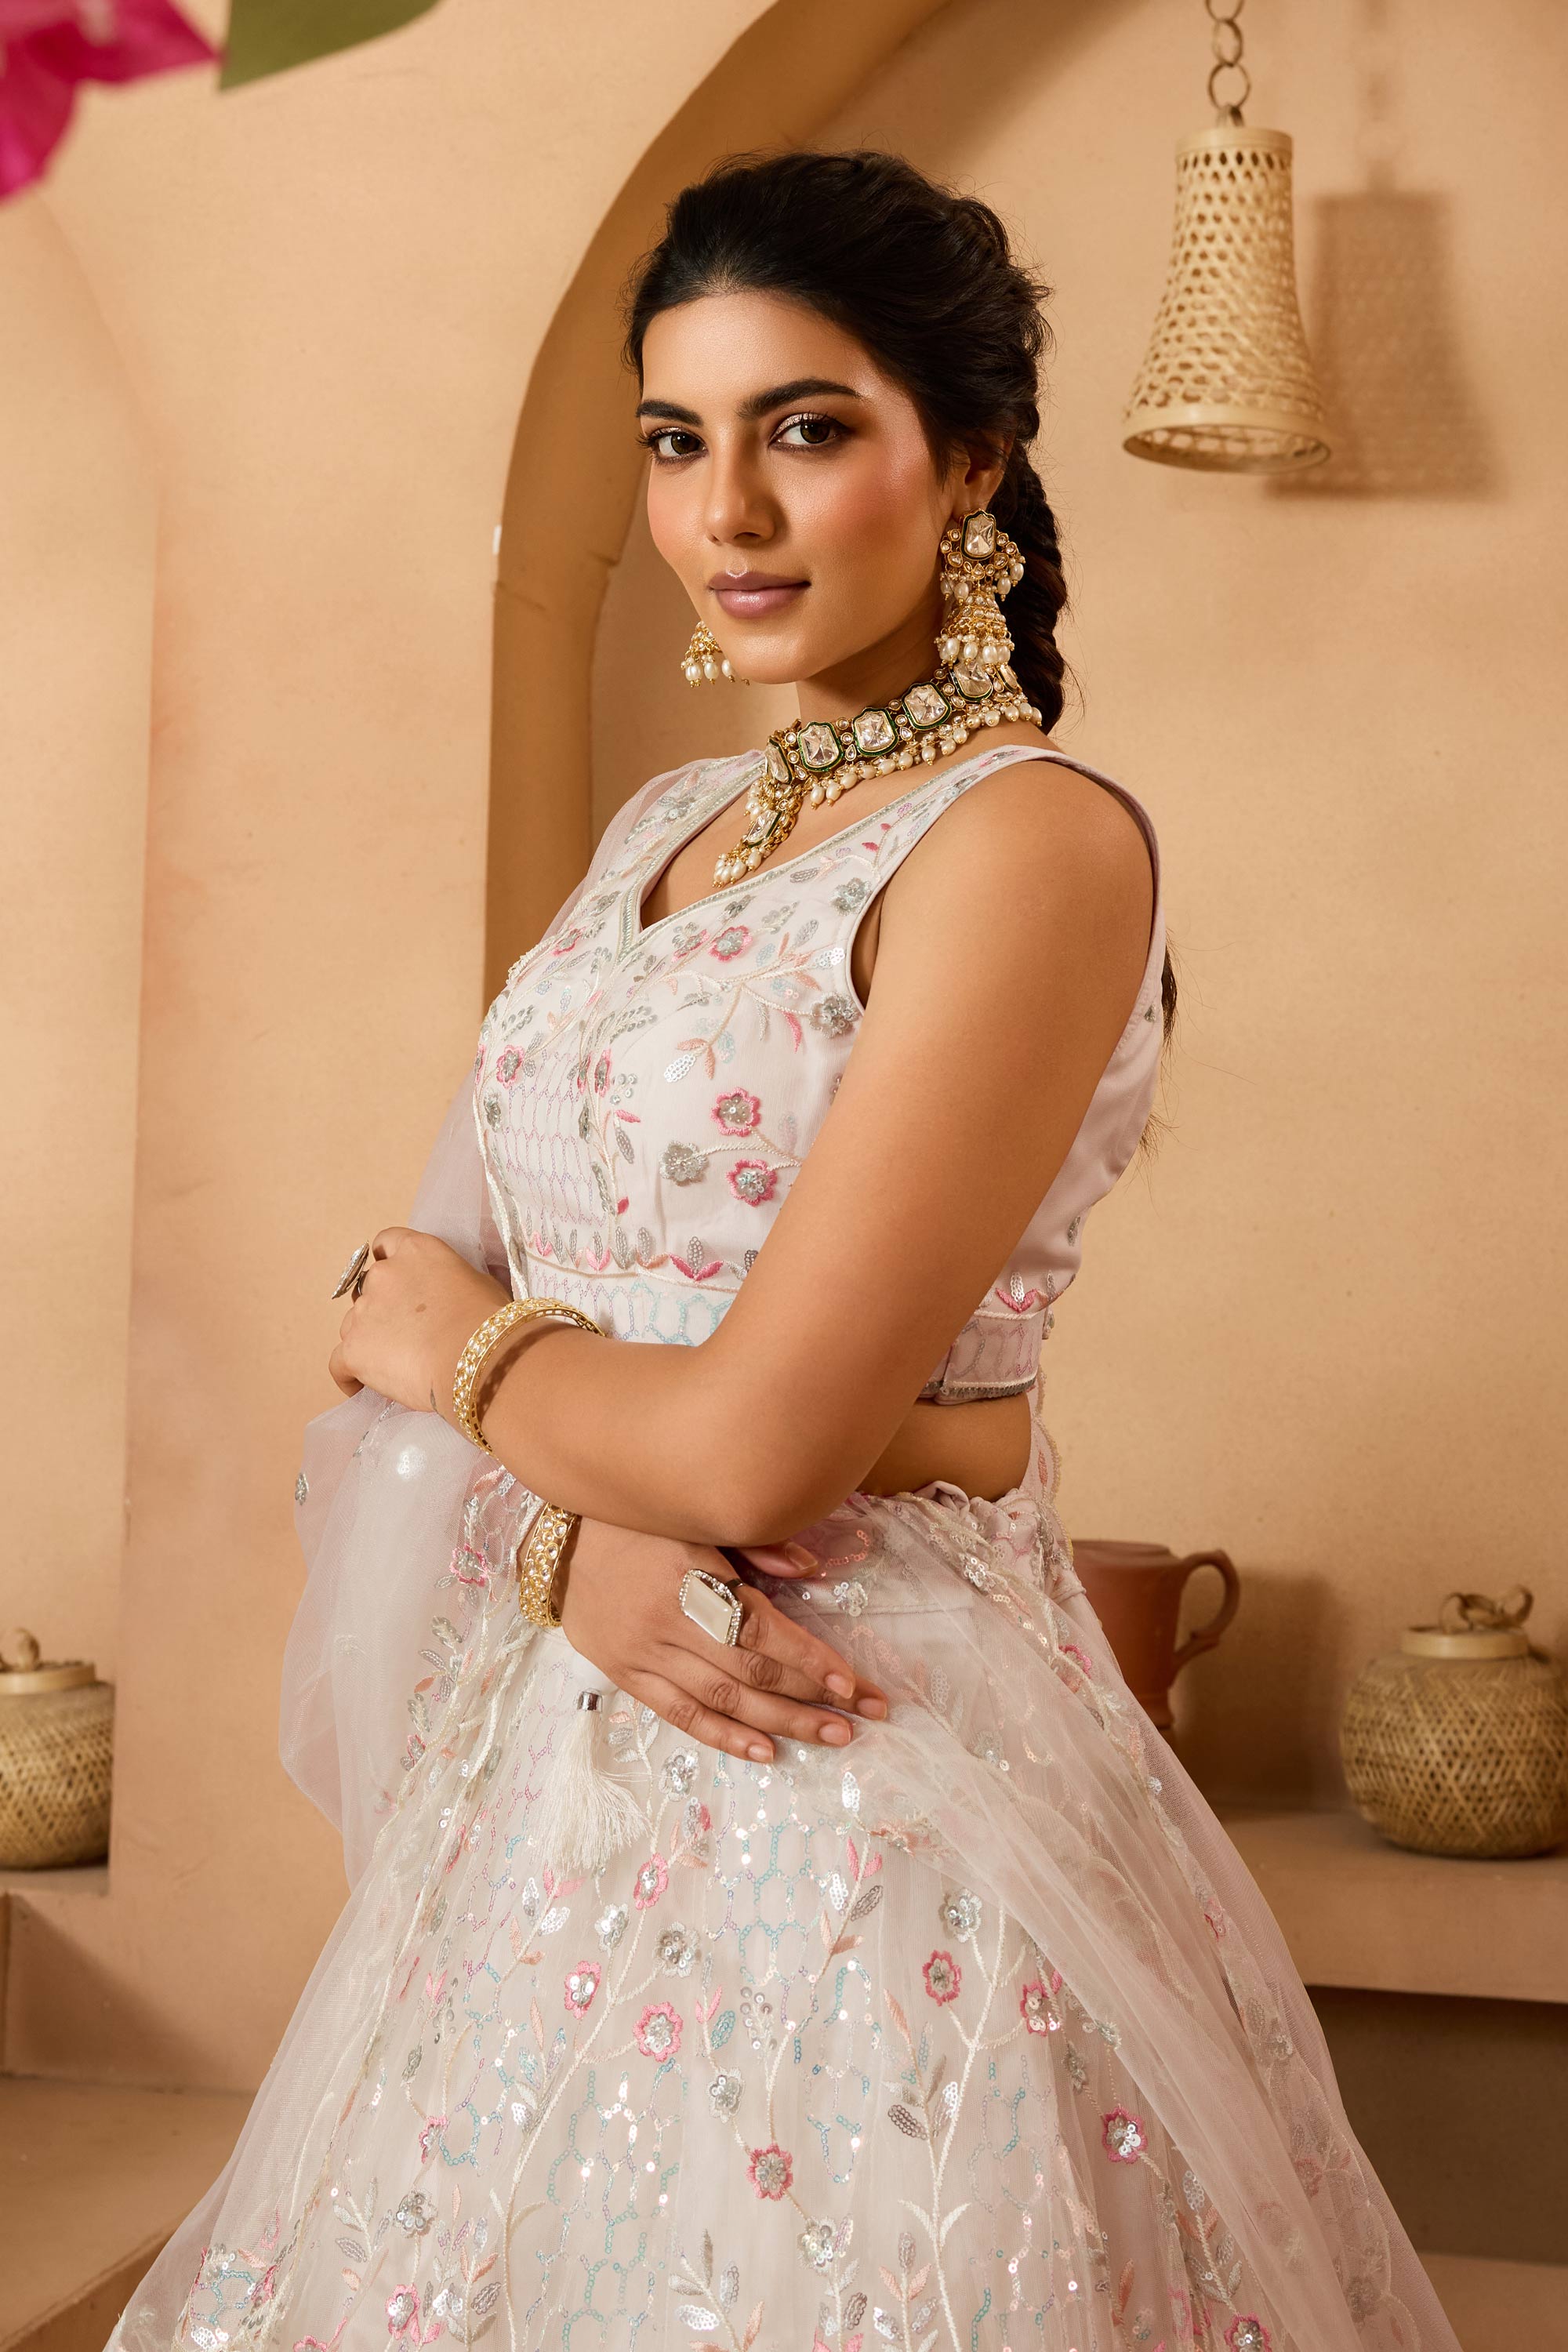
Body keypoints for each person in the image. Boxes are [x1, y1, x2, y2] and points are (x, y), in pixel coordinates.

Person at [111, 151, 1459, 2352]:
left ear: (972, 459)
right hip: (556, 1766)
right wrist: (569, 1540)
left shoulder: (1024, 845)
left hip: (858, 1766)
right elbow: (414, 1294)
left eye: (805, 430)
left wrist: (471, 1360)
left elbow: (721, 1439)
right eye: (676, 440)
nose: (725, 510)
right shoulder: (666, 833)